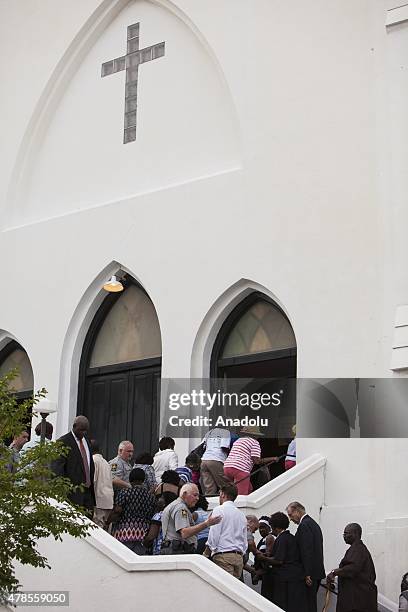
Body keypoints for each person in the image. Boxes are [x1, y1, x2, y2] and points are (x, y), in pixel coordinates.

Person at [326, 523, 377, 612]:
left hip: (358, 602)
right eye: (344, 534)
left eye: (346, 533)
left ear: (356, 534)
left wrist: (334, 572)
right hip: (357, 600)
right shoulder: (357, 549)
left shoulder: (358, 549)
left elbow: (352, 568)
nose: (344, 536)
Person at [263, 511, 307, 611]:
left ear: (275, 526)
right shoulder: (290, 537)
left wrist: (263, 558)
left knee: (284, 606)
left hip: (286, 580)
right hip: (294, 577)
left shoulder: (282, 539)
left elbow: (279, 561)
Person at [51, 416, 95, 515]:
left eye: (85, 431)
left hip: (87, 493)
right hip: (72, 494)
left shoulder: (86, 441)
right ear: (74, 426)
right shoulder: (63, 442)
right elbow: (57, 470)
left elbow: (89, 464)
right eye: (81, 430)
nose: (83, 433)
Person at [160, 483, 221, 554]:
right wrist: (206, 524)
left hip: (173, 549)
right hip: (178, 551)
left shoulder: (175, 505)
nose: (197, 498)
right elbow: (185, 533)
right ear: (184, 494)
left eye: (198, 496)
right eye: (195, 495)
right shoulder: (181, 508)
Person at [286, 501, 325, 612]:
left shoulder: (304, 525)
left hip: (310, 573)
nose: (290, 519)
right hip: (316, 571)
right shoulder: (312, 523)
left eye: (290, 515)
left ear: (297, 511)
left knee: (308, 604)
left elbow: (306, 550)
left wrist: (307, 573)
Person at [203, 483, 247, 578]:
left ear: (222, 494)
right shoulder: (241, 515)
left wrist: (206, 553)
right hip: (238, 558)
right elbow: (244, 540)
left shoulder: (219, 510)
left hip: (223, 556)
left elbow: (214, 535)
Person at [111, 468, 156, 554]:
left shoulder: (124, 492)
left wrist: (107, 521)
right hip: (143, 533)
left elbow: (117, 510)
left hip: (124, 532)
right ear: (143, 480)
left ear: (130, 479)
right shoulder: (150, 496)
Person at [223, 426, 278, 495]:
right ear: (255, 435)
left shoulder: (238, 440)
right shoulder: (254, 443)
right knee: (241, 495)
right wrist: (273, 458)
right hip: (240, 469)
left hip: (227, 467)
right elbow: (257, 461)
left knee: (248, 489)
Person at [200, 427, 231, 495]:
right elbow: (224, 447)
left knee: (209, 488)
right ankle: (226, 502)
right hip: (216, 459)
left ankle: (209, 503)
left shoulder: (209, 433)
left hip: (204, 460)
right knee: (224, 485)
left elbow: (202, 446)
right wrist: (231, 454)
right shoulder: (225, 432)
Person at [91, 440, 114, 529]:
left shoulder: (93, 461)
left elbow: (93, 481)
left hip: (98, 501)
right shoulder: (106, 462)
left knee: (97, 530)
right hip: (108, 501)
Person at [252, 517, 275, 597]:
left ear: (269, 528)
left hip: (270, 575)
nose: (261, 530)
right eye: (259, 528)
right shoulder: (262, 540)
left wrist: (258, 573)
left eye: (263, 527)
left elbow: (268, 557)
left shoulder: (270, 538)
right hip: (265, 575)